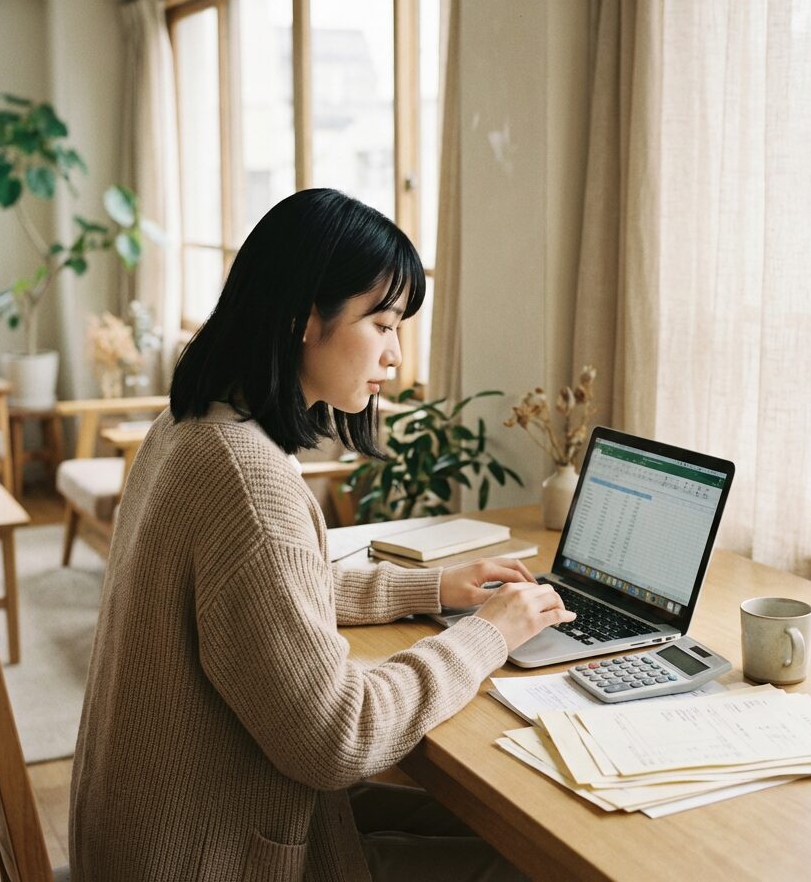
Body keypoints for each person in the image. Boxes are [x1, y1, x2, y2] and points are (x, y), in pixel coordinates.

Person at [68, 188, 575, 882]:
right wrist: (489, 635)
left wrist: (429, 586)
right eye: (384, 324)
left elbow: (268, 589)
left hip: (165, 829)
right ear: (306, 318)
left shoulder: (192, 427)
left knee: (500, 832)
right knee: (537, 861)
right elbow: (341, 737)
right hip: (205, 855)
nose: (395, 355)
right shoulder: (248, 478)